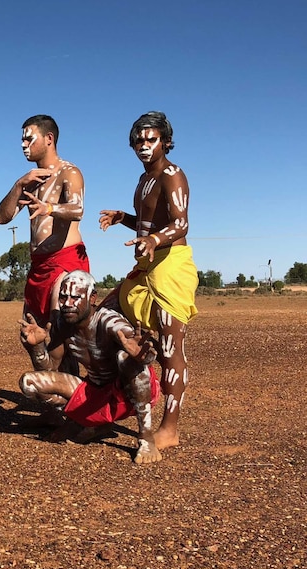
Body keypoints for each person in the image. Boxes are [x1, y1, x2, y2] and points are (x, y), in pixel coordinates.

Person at [98, 111, 198, 451]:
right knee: (103, 316)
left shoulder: (172, 175)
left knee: (171, 347)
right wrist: (124, 218)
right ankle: (112, 400)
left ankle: (170, 427)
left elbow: (180, 224)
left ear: (165, 142)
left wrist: (155, 240)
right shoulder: (144, 180)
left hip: (169, 267)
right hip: (144, 268)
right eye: (138, 140)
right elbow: (147, 222)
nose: (143, 145)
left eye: (150, 139)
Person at [17, 271, 162, 463]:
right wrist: (36, 348)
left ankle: (146, 437)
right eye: (63, 297)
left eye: (75, 297)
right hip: (95, 391)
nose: (67, 304)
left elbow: (145, 353)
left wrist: (143, 356)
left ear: (92, 298)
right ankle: (87, 423)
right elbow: (49, 369)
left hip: (128, 395)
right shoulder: (63, 324)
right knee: (29, 383)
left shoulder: (109, 322)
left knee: (125, 357)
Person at [0, 114, 90, 329]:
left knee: (62, 336)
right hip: (38, 266)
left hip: (65, 261)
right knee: (31, 335)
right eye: (22, 140)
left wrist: (49, 208)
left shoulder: (69, 172)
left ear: (49, 138)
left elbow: (78, 209)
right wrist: (19, 184)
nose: (23, 145)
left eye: (29, 139)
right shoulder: (30, 180)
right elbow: (3, 218)